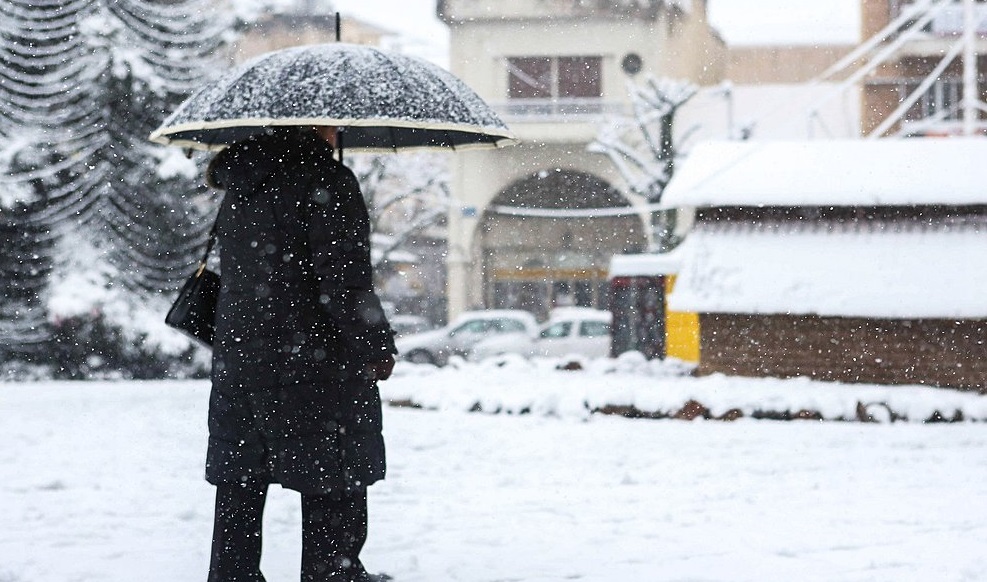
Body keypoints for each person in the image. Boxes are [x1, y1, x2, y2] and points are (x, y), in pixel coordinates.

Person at [204, 125, 396, 582]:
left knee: (242, 475)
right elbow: (345, 282)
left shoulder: (241, 184)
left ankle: (232, 575)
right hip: (314, 359)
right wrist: (376, 345)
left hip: (241, 358)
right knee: (332, 466)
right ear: (315, 125)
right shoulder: (325, 181)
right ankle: (333, 573)